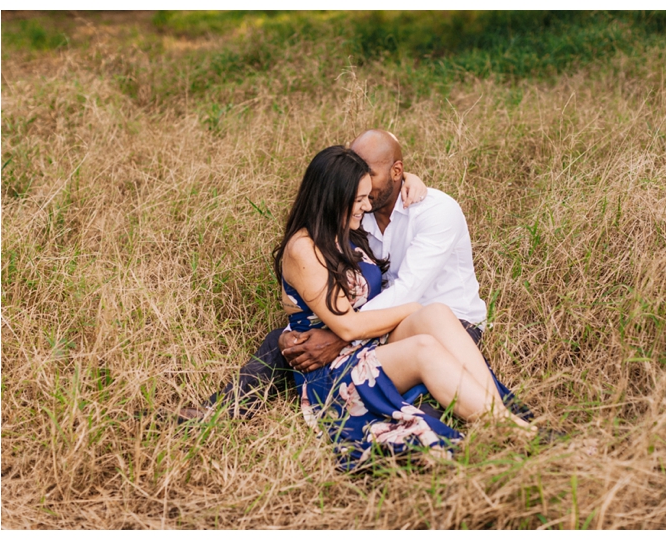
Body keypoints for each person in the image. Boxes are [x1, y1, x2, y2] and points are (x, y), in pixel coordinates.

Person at [181, 130, 533, 424]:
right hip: (390, 325)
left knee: (428, 394)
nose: (360, 189)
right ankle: (219, 412)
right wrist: (328, 329)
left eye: (368, 178)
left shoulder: (434, 211)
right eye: (355, 180)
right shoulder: (357, 215)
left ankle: (505, 421)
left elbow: (408, 292)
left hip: (448, 320)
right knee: (281, 340)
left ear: (396, 172)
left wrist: (340, 333)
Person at [262, 145, 537, 469]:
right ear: (334, 197)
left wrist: (407, 177)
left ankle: (503, 415)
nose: (366, 206)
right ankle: (516, 431)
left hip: (363, 343)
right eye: (359, 199)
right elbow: (348, 327)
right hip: (331, 364)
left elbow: (366, 165)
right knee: (423, 344)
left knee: (435, 313)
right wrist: (411, 307)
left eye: (368, 196)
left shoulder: (345, 232)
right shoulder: (303, 249)